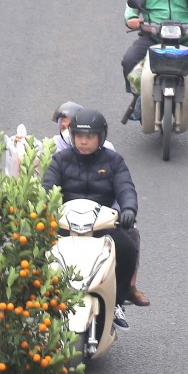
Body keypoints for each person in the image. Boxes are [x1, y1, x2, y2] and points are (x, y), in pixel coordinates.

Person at [42, 108, 148, 327]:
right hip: (65, 225)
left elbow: (126, 188)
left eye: (89, 137)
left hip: (101, 226)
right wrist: (43, 208)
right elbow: (46, 188)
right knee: (38, 253)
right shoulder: (60, 160)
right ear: (72, 136)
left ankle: (117, 301)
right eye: (79, 136)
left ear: (101, 137)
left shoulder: (114, 161)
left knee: (128, 249)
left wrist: (128, 209)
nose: (83, 141)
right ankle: (38, 303)